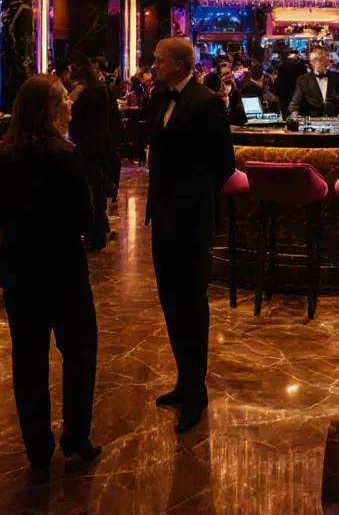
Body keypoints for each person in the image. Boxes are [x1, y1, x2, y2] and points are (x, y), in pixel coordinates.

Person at [0, 75, 101, 469]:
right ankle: (76, 435)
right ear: (50, 109)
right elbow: (84, 219)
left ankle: (37, 447)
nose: (71, 105)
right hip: (63, 270)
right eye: (64, 101)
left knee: (28, 361)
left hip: (20, 270)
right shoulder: (64, 155)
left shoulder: (1, 155)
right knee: (80, 351)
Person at [147, 37, 235, 432]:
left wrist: (195, 200)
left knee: (192, 305)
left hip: (192, 221)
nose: (154, 66)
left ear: (181, 65)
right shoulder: (161, 98)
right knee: (170, 302)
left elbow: (224, 165)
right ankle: (182, 382)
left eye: (159, 60)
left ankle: (196, 391)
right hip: (163, 218)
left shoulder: (206, 101)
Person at [67, 51, 113, 250]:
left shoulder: (82, 92)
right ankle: (98, 231)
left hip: (86, 145)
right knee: (95, 186)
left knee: (89, 188)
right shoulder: (100, 89)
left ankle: (94, 232)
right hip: (100, 143)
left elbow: (75, 120)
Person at [289, 46, 339, 117]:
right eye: (315, 60)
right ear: (311, 62)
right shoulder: (303, 80)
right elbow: (294, 105)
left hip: (336, 122)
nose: (318, 63)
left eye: (321, 59)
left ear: (327, 61)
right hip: (311, 123)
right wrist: (297, 117)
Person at [203, 58, 247, 125]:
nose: (228, 76)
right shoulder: (213, 87)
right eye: (225, 74)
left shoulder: (235, 92)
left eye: (229, 74)